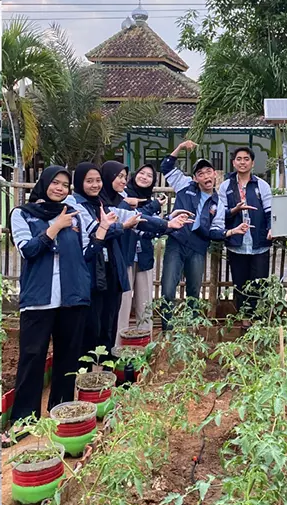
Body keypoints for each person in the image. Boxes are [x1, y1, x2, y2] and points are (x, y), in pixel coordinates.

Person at [70, 163, 186, 375]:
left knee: (109, 321)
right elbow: (96, 232)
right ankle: (86, 375)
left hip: (111, 268)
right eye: (90, 181)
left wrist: (167, 225)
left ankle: (106, 372)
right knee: (91, 325)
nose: (96, 185)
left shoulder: (106, 204)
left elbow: (137, 220)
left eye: (97, 181)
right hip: (89, 272)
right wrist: (121, 226)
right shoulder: (76, 204)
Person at [7, 166, 90, 434]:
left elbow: (85, 251)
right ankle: (24, 421)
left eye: (65, 186)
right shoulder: (22, 214)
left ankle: (62, 413)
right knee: (32, 358)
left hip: (71, 298)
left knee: (68, 359)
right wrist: (54, 228)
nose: (60, 189)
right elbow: (28, 250)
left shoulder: (74, 216)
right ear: (44, 184)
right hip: (38, 299)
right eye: (55, 183)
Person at [159, 141, 224, 325]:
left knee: (194, 291)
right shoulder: (185, 185)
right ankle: (167, 329)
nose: (205, 176)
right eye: (200, 173)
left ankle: (192, 330)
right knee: (168, 289)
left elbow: (216, 230)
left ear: (214, 174)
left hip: (198, 247)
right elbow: (166, 166)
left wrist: (229, 232)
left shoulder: (218, 203)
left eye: (208, 172)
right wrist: (179, 148)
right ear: (195, 178)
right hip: (176, 242)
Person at [213, 147, 273, 319]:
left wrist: (271, 229)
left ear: (252, 163)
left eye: (246, 159)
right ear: (233, 162)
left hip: (259, 244)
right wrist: (234, 210)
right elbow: (221, 214)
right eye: (239, 159)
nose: (242, 162)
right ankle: (244, 318)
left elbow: (270, 211)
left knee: (259, 284)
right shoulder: (226, 186)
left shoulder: (261, 185)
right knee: (240, 284)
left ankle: (259, 319)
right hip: (237, 245)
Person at [115, 163, 160, 340]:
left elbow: (153, 229)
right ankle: (117, 346)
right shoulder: (122, 197)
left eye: (150, 176)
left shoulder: (152, 202)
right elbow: (130, 218)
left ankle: (145, 346)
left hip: (144, 257)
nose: (145, 177)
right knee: (123, 304)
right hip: (125, 256)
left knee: (145, 303)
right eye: (142, 173)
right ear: (135, 176)